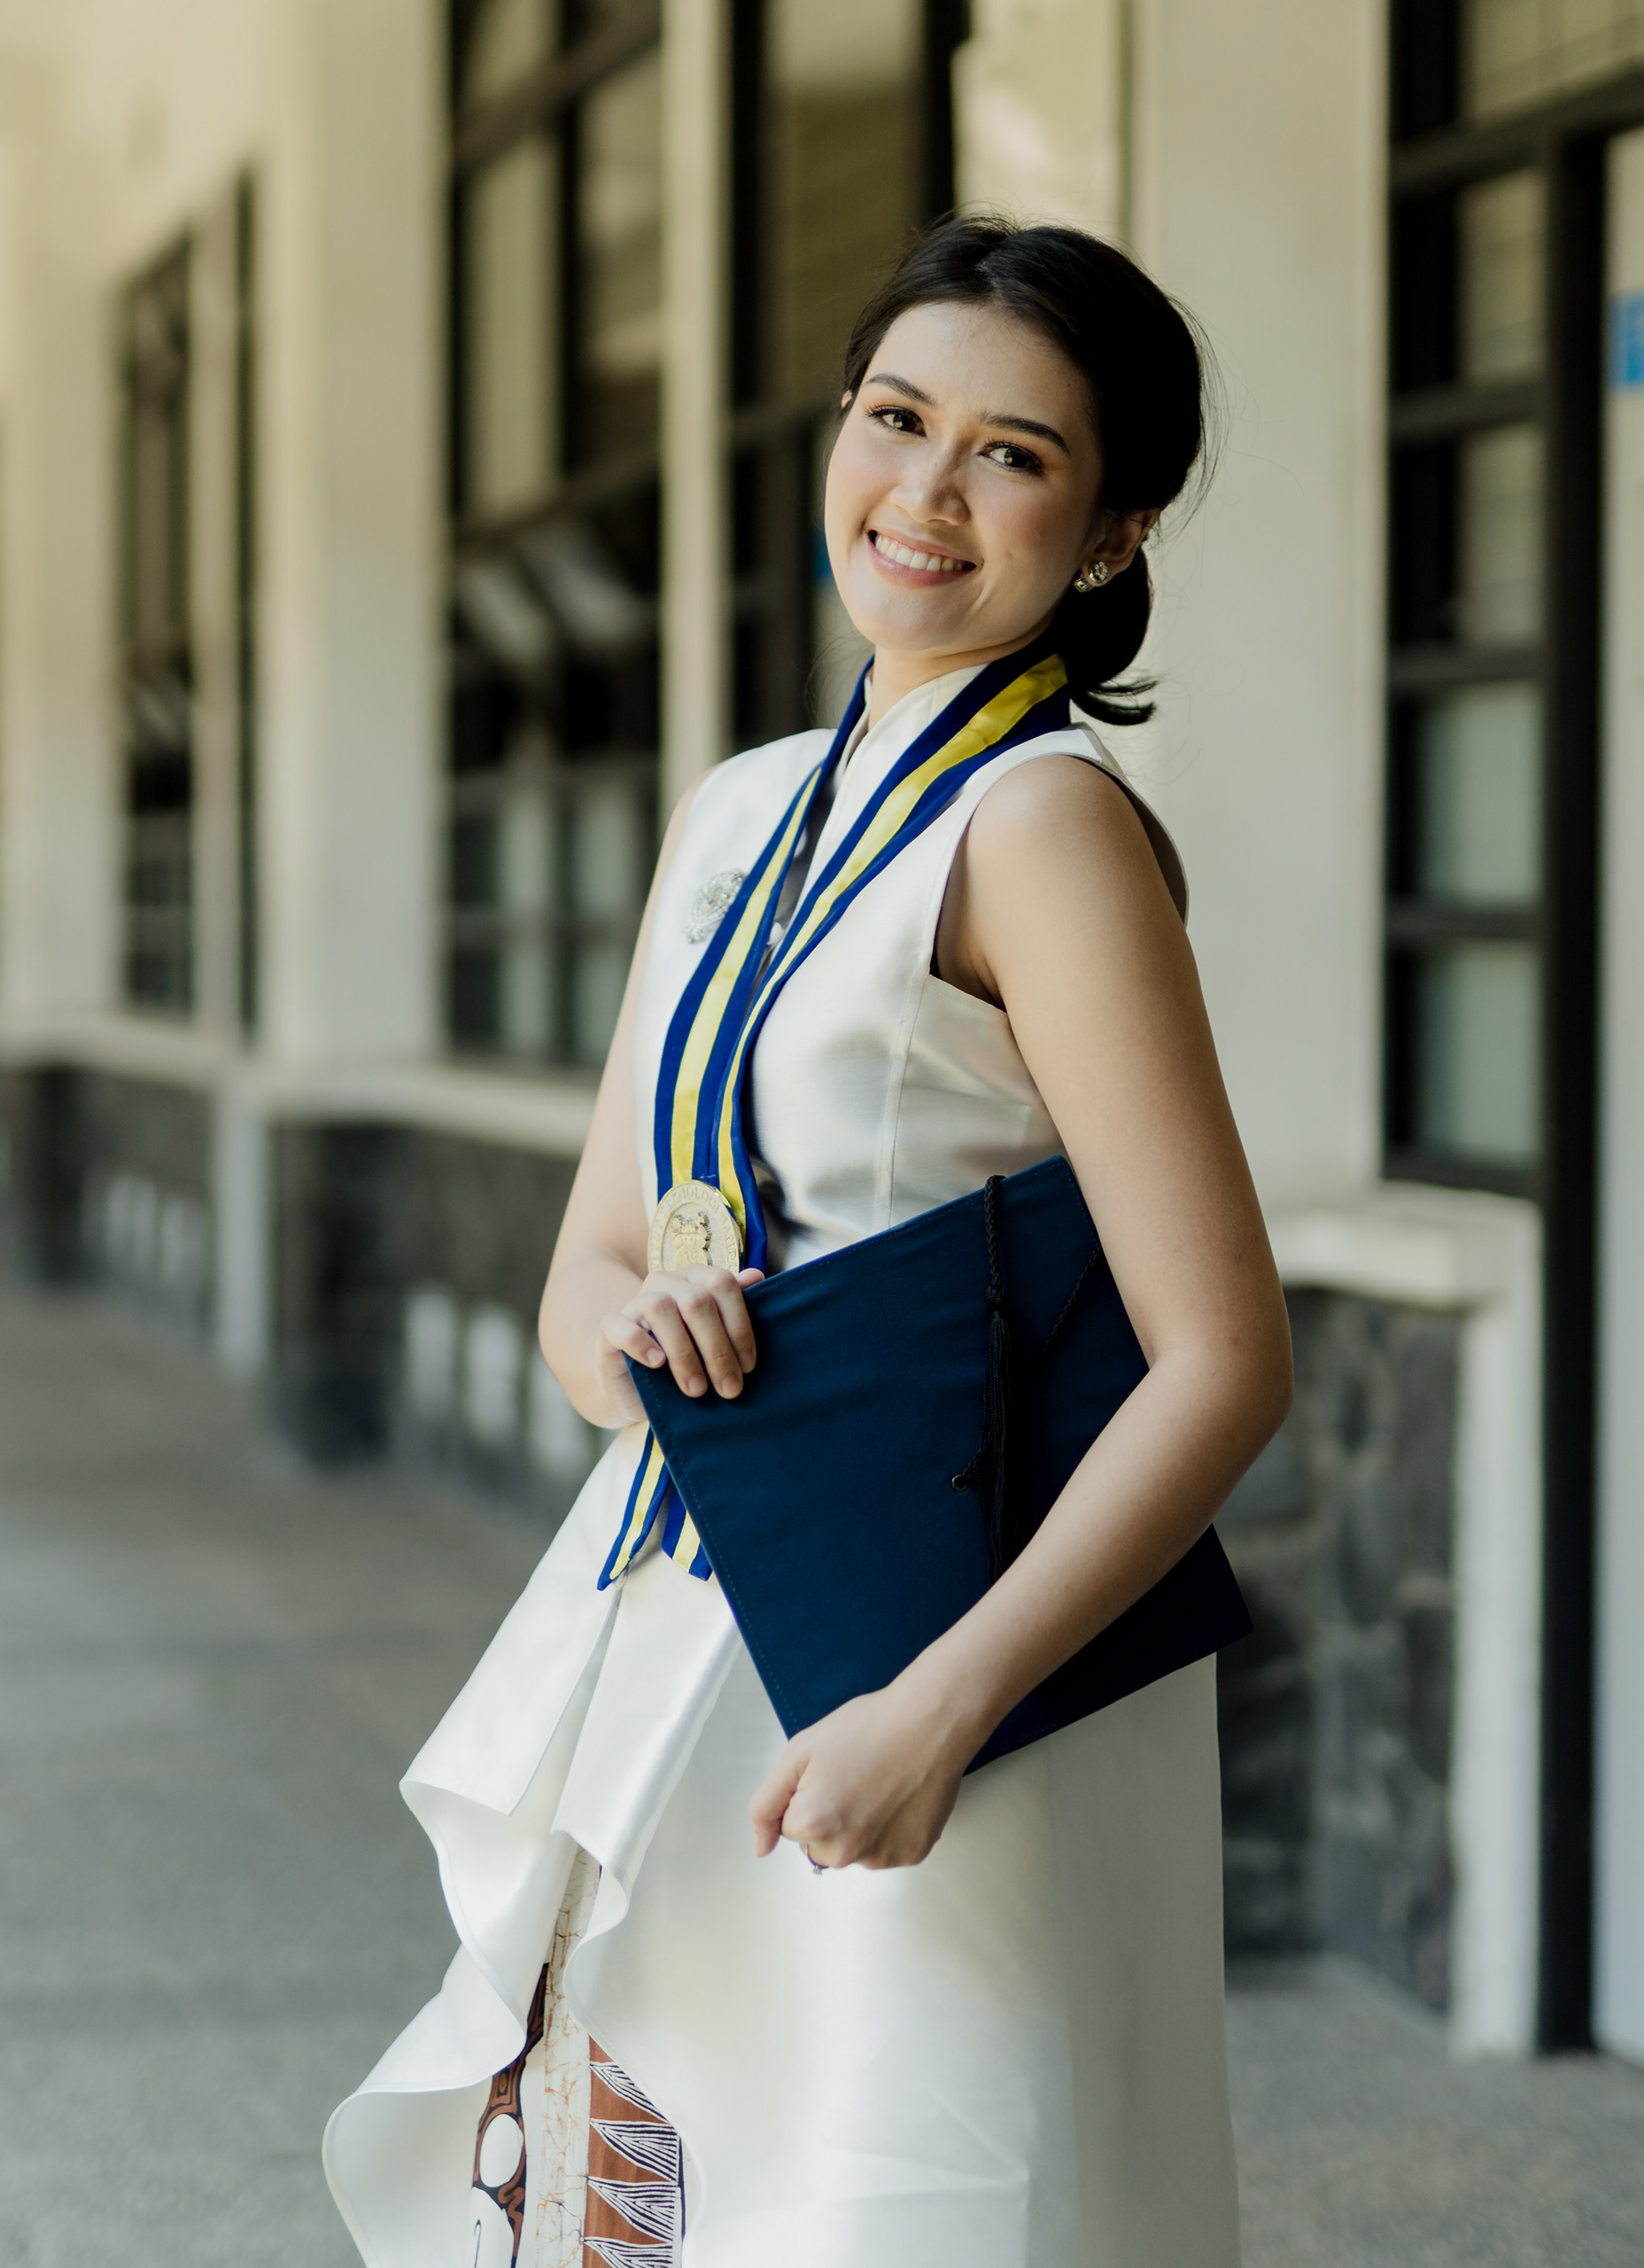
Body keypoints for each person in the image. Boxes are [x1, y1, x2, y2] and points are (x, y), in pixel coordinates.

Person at [326, 215, 1292, 2268]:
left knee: (910, 2193)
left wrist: (943, 1707)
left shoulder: (1041, 824)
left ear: (1113, 529)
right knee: (663, 2192)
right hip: (689, 1613)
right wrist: (649, 1327)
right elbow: (583, 1283)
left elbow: (1223, 1356)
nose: (926, 492)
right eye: (895, 417)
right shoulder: (741, 808)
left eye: (1013, 454)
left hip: (950, 1653)